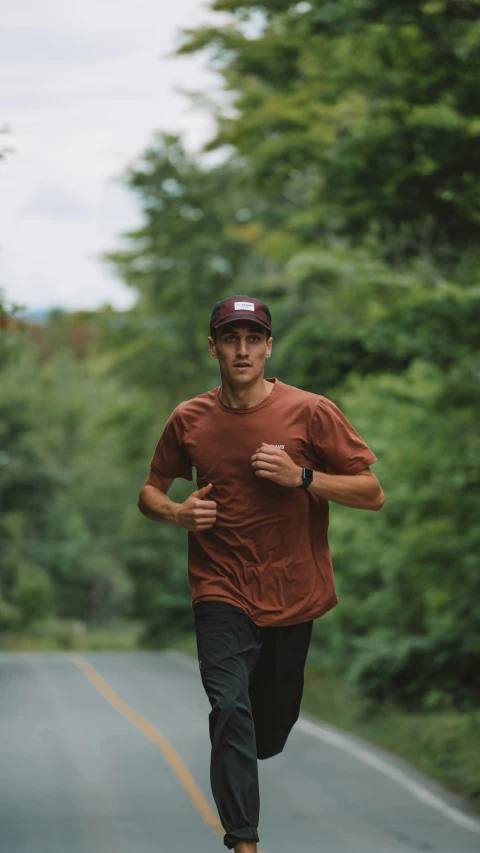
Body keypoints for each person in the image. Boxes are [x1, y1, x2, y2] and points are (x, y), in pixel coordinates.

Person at [138, 295, 384, 852]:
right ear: (213, 347)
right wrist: (177, 512)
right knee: (228, 708)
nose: (242, 349)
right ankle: (244, 840)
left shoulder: (311, 411)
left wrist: (302, 477)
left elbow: (371, 492)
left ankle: (253, 750)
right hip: (219, 588)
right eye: (231, 338)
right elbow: (150, 491)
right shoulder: (189, 418)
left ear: (269, 347)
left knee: (266, 732)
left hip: (293, 593)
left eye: (253, 338)